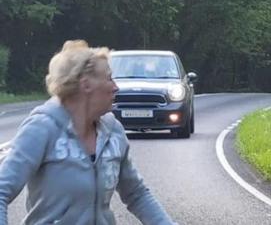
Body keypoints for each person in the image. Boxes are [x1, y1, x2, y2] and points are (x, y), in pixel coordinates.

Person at [0, 40, 177, 225]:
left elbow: (137, 194)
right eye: (109, 78)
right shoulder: (42, 128)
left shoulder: (113, 131)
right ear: (86, 85)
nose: (115, 87)